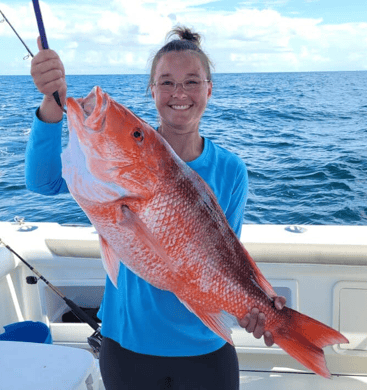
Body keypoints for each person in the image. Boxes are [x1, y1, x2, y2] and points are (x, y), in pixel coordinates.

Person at [27, 26, 286, 390]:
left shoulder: (230, 169)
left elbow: (228, 257)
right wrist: (52, 109)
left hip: (206, 348)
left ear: (209, 89)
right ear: (152, 92)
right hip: (126, 345)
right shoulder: (111, 172)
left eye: (191, 81)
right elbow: (44, 182)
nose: (179, 93)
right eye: (166, 82)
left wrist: (261, 303)